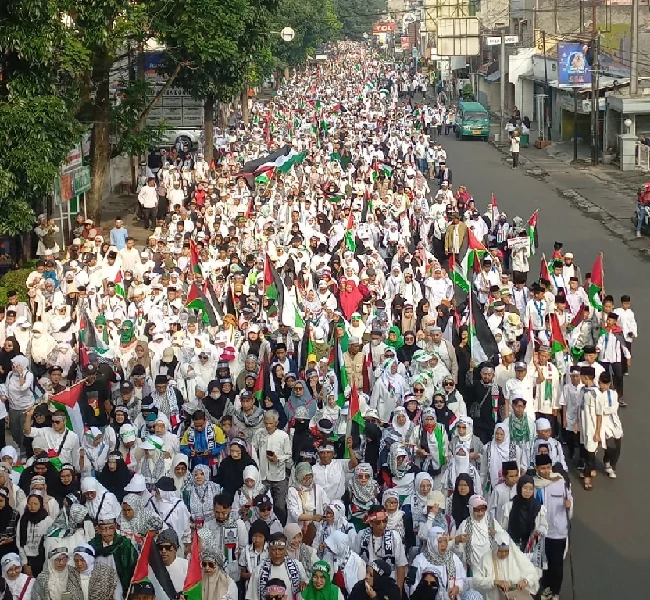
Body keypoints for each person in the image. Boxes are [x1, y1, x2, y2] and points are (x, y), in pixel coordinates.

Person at [473, 532, 539, 600]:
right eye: (500, 551)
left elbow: (533, 573)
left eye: (506, 551)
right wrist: (494, 582)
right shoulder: (486, 559)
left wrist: (526, 581)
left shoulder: (516, 557)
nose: (504, 554)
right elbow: (476, 580)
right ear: (496, 548)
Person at [246, 533, 308, 600]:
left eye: (280, 549)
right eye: (273, 549)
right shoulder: (259, 571)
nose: (277, 553)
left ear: (286, 549)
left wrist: (304, 584)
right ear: (268, 549)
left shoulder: (297, 567)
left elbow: (306, 588)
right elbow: (251, 597)